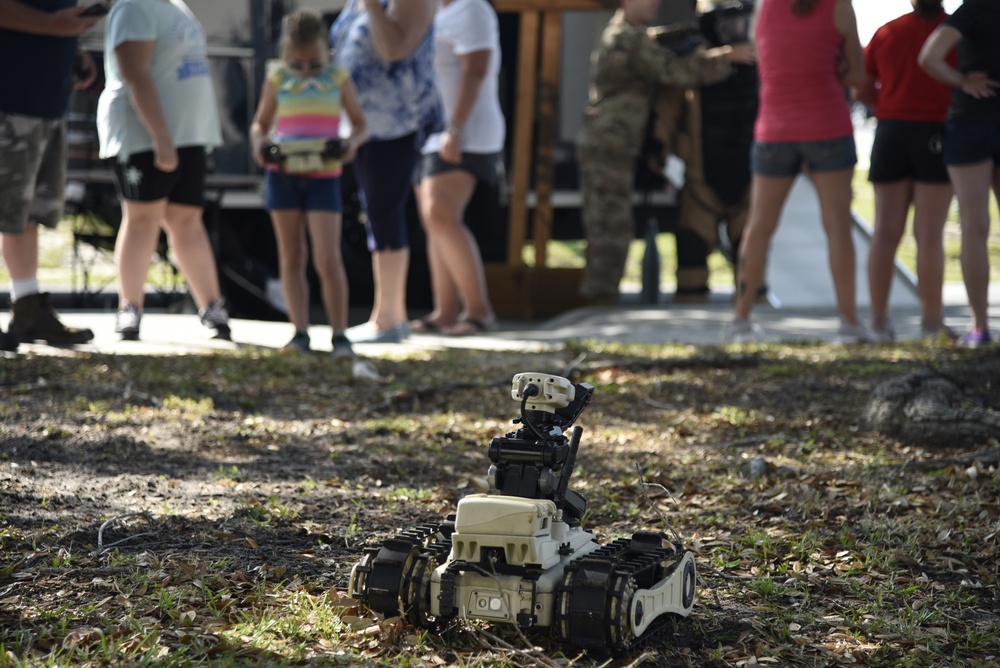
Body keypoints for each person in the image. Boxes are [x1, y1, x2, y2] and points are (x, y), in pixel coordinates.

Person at [576, 0, 754, 306]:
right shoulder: (627, 38)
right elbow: (673, 71)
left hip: (615, 142)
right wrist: (729, 56)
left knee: (611, 223)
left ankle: (602, 295)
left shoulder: (634, 35)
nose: (654, 3)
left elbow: (658, 42)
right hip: (610, 144)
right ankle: (599, 300)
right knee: (610, 227)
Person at [727, 0, 869, 344]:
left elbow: (766, 63)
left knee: (758, 227)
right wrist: (838, 68)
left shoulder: (765, 7)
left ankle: (741, 321)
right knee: (837, 226)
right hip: (827, 125)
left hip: (774, 128)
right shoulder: (839, 6)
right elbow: (858, 76)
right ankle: (849, 324)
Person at [96, 0, 231, 341]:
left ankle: (213, 308)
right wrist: (161, 138)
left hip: (187, 136)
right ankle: (130, 309)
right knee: (143, 219)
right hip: (147, 137)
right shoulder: (133, 6)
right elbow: (134, 73)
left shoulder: (175, 5)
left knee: (187, 220)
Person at [250, 10, 368, 356]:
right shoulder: (277, 78)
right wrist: (261, 147)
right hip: (283, 177)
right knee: (291, 255)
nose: (304, 70)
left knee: (327, 257)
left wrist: (349, 145)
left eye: (313, 64)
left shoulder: (337, 78)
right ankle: (299, 331)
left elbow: (361, 126)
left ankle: (339, 334)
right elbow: (260, 124)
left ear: (327, 53)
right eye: (296, 64)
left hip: (324, 179)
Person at [329, 0, 442, 343]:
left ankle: (391, 319)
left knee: (385, 213)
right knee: (375, 215)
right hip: (363, 127)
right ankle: (383, 315)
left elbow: (394, 48)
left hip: (395, 124)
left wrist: (374, 9)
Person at [0, 0, 102, 351]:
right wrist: (54, 26)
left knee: (26, 213)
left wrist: (74, 47)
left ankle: (28, 309)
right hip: (8, 99)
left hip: (45, 101)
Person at [854, 0, 955, 344]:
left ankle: (880, 322)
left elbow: (862, 88)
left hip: (892, 130)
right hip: (935, 132)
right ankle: (931, 323)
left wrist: (886, 104)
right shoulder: (955, 31)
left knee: (885, 231)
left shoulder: (887, 32)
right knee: (929, 234)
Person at [411, 0, 503, 336]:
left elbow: (475, 69)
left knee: (441, 214)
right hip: (433, 134)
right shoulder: (436, 9)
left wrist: (456, 128)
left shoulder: (472, 8)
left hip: (467, 133)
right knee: (433, 221)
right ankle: (445, 311)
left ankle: (479, 311)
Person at [919, 0, 1000, 349]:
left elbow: (928, 57)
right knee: (973, 226)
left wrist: (962, 81)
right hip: (976, 123)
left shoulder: (974, 9)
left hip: (971, 122)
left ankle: (980, 327)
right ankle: (979, 327)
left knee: (974, 226)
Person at [671, 0, 759, 303]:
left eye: (740, 22)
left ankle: (752, 316)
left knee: (750, 247)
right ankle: (687, 321)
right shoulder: (692, 56)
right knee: (692, 245)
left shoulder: (757, 60)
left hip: (748, 179)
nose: (735, 30)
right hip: (701, 178)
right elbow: (672, 89)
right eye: (727, 23)